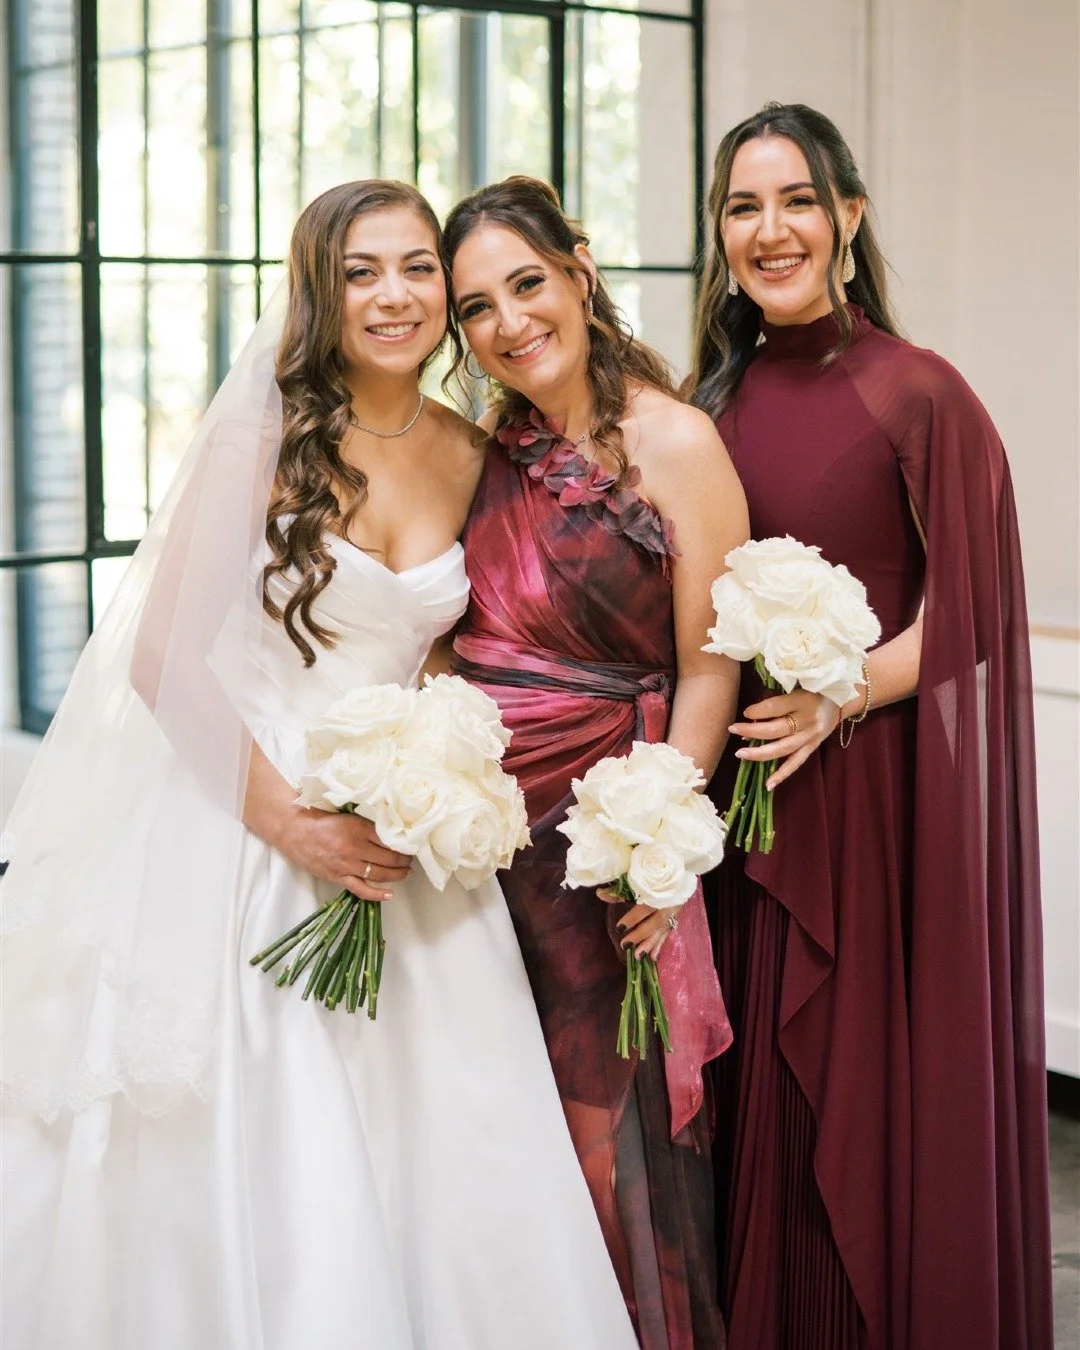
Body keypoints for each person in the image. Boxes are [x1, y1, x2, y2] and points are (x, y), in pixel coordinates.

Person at [0, 180, 641, 1350]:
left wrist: (443, 774)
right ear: (320, 292)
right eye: (360, 272)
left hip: (409, 832)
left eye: (414, 268)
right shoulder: (268, 433)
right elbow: (159, 656)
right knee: (277, 1122)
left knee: (453, 1127)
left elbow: (447, 645)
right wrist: (291, 824)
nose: (395, 296)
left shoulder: (470, 447)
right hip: (249, 809)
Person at [690, 103, 1054, 1350]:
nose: (771, 229)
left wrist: (844, 692)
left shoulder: (920, 392)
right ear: (719, 232)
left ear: (848, 215)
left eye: (797, 200)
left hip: (870, 808)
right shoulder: (711, 402)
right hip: (745, 814)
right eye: (743, 206)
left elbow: (981, 607)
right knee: (757, 1112)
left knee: (854, 1103)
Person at [441, 175, 750, 1350]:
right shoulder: (487, 453)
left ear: (577, 267)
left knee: (603, 1123)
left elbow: (711, 661)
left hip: (602, 832)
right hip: (480, 841)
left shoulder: (676, 439)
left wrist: (658, 840)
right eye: (478, 309)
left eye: (527, 283)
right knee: (496, 1116)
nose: (511, 323)